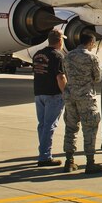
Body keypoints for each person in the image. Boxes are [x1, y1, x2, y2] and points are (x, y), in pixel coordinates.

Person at [62, 33, 102, 174]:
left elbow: (66, 74)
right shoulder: (92, 57)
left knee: (71, 128)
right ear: (91, 42)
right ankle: (90, 162)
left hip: (70, 95)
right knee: (90, 128)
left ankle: (69, 161)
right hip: (85, 96)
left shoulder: (68, 56)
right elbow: (97, 78)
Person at [33, 30, 66, 167]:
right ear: (59, 41)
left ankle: (43, 152)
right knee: (49, 126)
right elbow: (60, 77)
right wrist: (66, 92)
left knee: (42, 125)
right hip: (53, 94)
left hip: (39, 92)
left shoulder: (37, 54)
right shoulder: (58, 56)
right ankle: (45, 156)